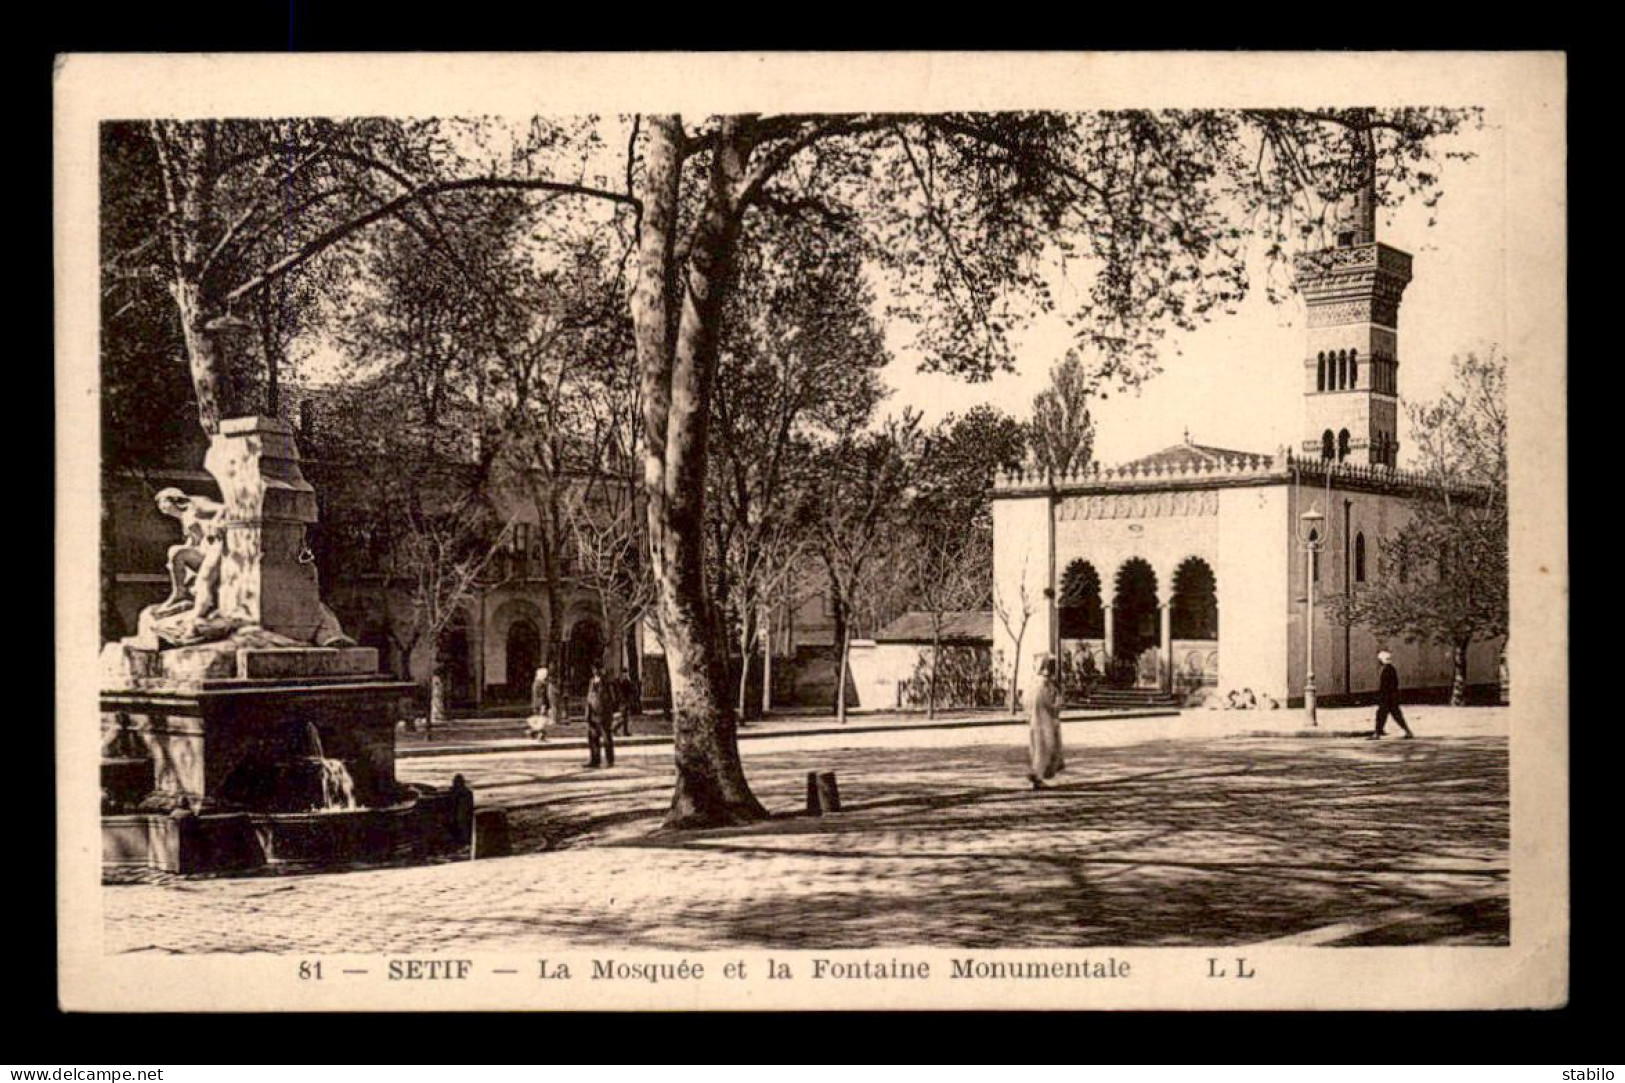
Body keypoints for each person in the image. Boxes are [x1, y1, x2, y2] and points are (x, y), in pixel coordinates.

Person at [1027, 655, 1065, 790]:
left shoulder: (1033, 683)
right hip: (1046, 720)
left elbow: (1026, 702)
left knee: (1039, 748)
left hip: (1035, 720)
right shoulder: (1045, 684)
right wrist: (1057, 706)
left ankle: (1038, 774)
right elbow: (1051, 703)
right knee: (1045, 748)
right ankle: (1038, 776)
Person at [1370, 649, 1414, 739]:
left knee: (1383, 714)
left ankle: (1377, 733)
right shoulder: (1390, 669)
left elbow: (1385, 686)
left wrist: (1381, 696)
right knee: (1393, 715)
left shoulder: (1387, 670)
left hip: (1387, 697)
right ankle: (1406, 731)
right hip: (1391, 696)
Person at [584, 667, 616, 768]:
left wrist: (609, 712)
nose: (595, 672)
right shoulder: (591, 682)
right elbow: (589, 698)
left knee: (606, 738)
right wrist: (587, 713)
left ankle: (609, 760)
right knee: (593, 738)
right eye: (594, 669)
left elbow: (612, 698)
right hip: (592, 714)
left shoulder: (607, 683)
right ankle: (595, 759)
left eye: (597, 670)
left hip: (603, 715)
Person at [524, 666, 551, 742]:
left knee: (540, 720)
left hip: (536, 704)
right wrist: (543, 705)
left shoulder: (536, 683)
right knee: (542, 720)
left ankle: (534, 733)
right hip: (540, 704)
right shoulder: (540, 684)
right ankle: (537, 734)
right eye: (546, 674)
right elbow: (541, 696)